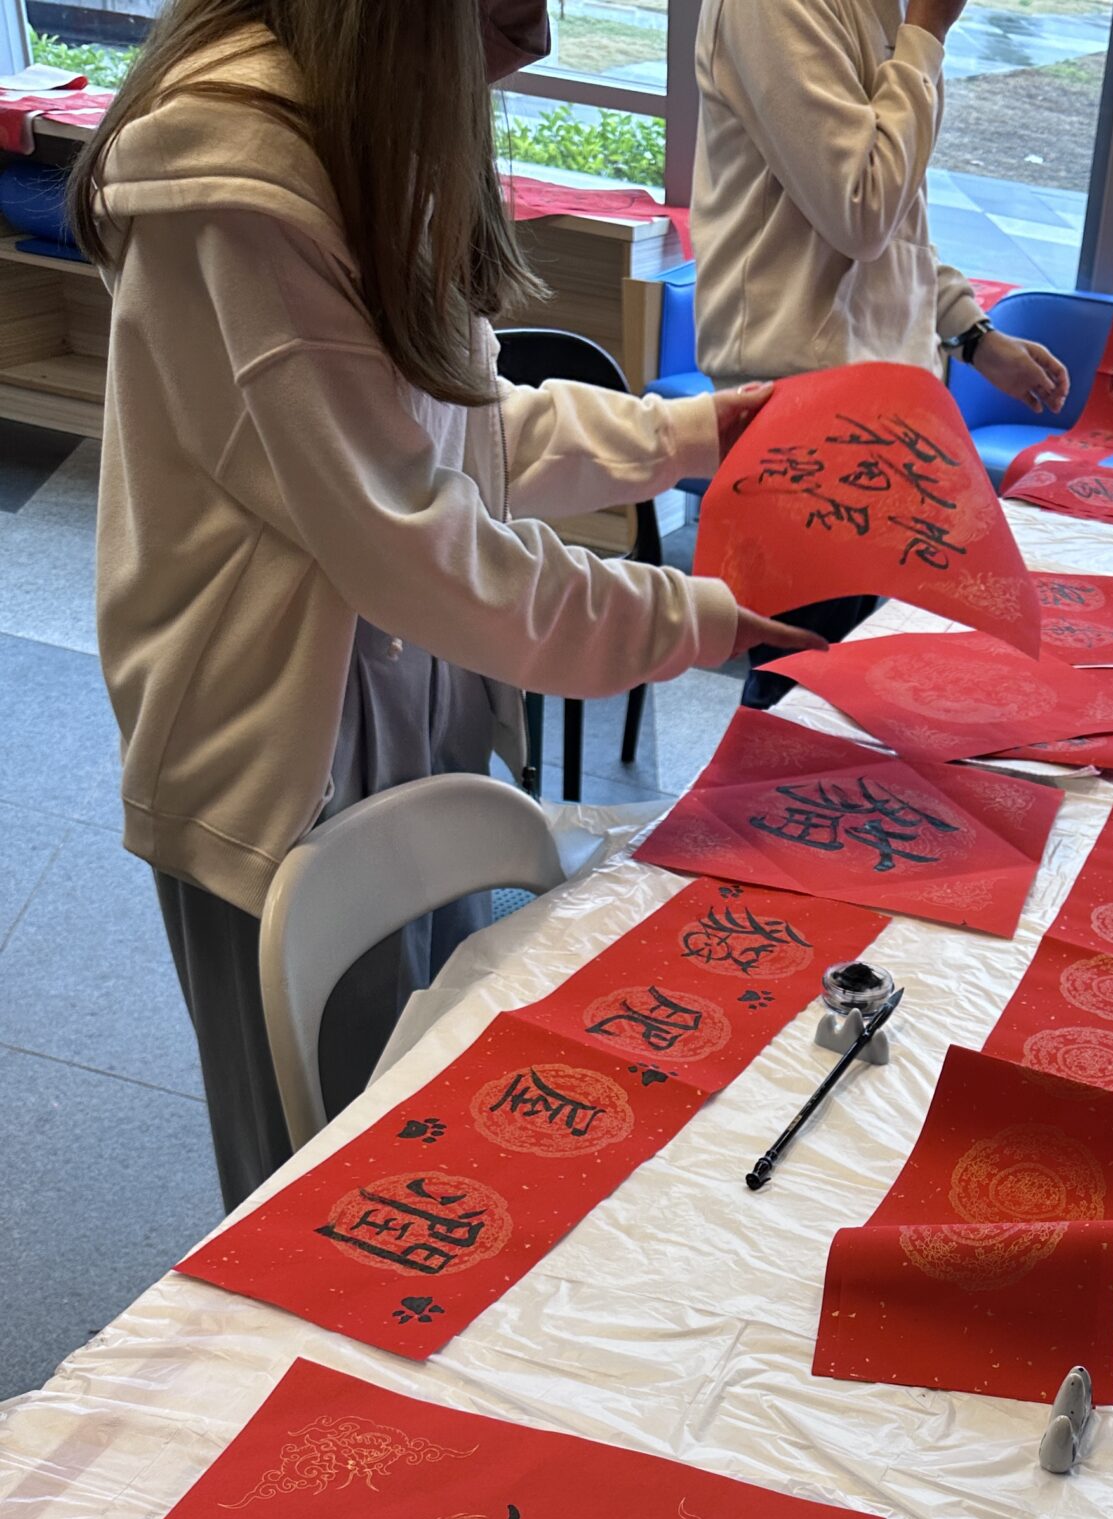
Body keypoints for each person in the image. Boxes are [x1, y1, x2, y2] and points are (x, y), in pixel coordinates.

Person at [74, 0, 822, 1213]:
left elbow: (457, 429)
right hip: (283, 751)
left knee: (429, 1126)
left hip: (410, 706)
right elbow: (418, 544)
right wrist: (691, 618)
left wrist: (687, 437)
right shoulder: (240, 173)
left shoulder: (360, 125)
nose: (536, 41)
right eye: (504, 4)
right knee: (321, 1191)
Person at [691, 0, 1071, 702]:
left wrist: (971, 334)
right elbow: (862, 205)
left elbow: (899, 215)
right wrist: (925, 36)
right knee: (802, 688)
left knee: (862, 681)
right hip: (802, 403)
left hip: (885, 401)